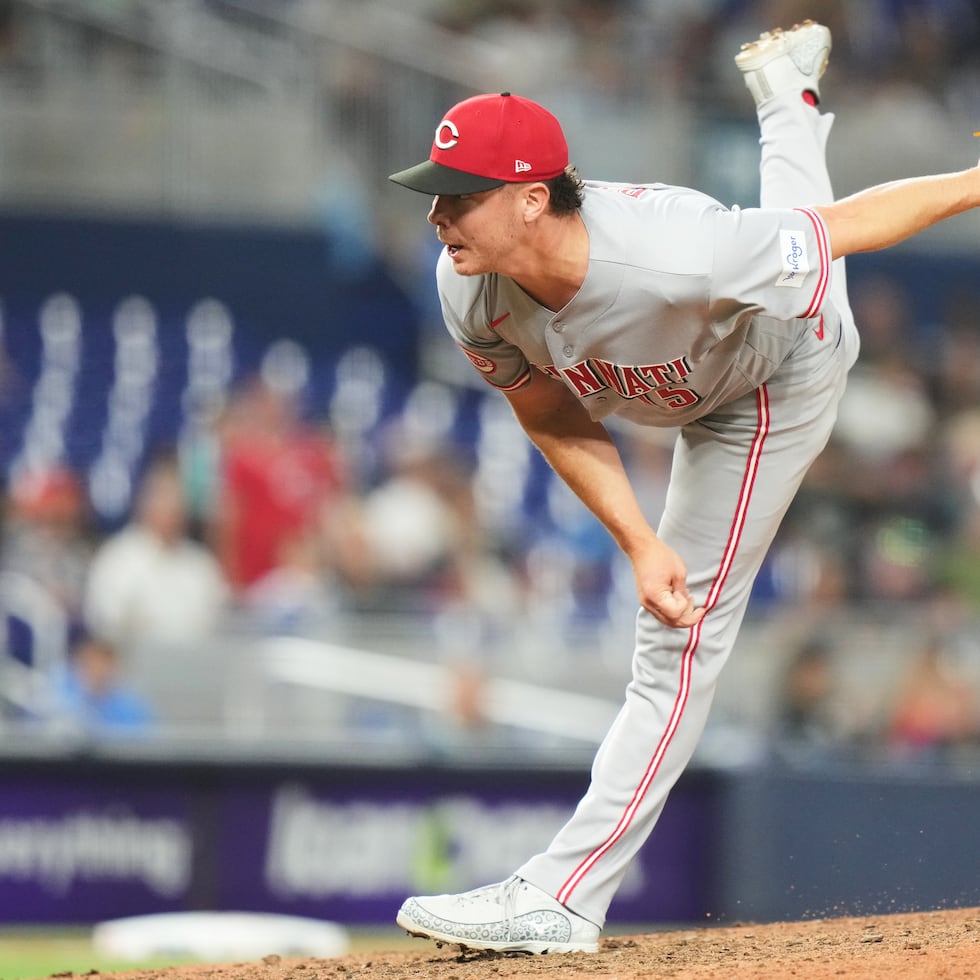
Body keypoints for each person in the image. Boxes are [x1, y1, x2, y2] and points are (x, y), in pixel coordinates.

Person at [386, 20, 980, 955]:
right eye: (435, 194)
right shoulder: (472, 287)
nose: (438, 216)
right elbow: (549, 416)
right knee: (782, 229)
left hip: (774, 375)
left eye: (460, 197)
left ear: (533, 199)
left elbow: (840, 233)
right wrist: (637, 538)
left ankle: (565, 895)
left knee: (677, 639)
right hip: (703, 365)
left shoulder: (674, 254)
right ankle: (788, 95)